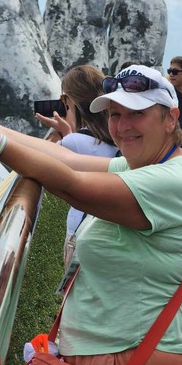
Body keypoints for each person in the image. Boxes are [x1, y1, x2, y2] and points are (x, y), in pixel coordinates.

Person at [0, 64, 182, 365]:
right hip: (117, 348)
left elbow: (73, 186)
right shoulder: (148, 165)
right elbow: (69, 160)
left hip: (133, 354)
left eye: (137, 113)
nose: (123, 125)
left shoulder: (171, 180)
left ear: (170, 118)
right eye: (114, 114)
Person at [35, 65, 119, 269]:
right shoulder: (118, 133)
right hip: (110, 231)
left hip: (80, 232)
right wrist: (69, 132)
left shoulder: (73, 143)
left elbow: (36, 160)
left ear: (71, 100)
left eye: (65, 99)